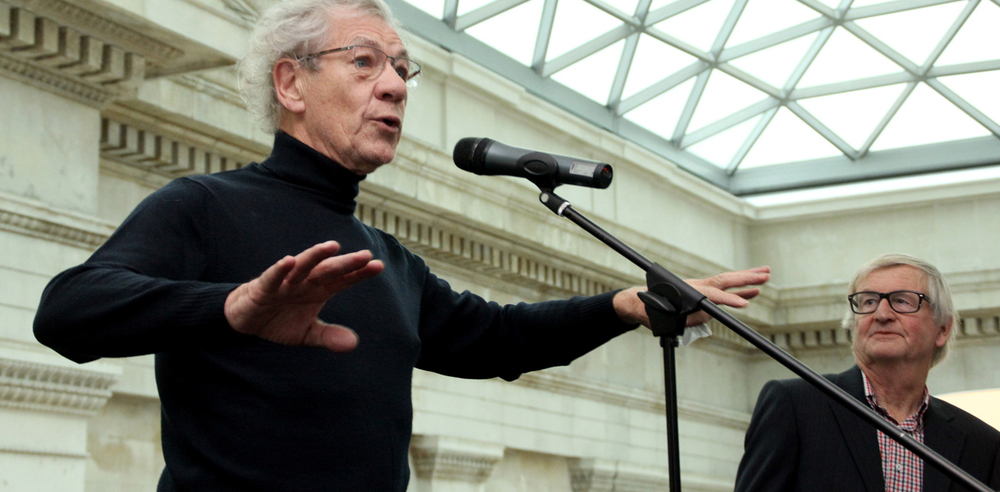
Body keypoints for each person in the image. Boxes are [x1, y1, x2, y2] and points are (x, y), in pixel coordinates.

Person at [32, 0, 770, 490]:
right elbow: (68, 310)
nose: (395, 87)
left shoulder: (386, 257)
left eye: (402, 69)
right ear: (291, 82)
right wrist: (234, 308)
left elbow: (494, 338)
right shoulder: (202, 207)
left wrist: (626, 305)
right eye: (365, 63)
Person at [735, 254, 1000, 492]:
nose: (882, 314)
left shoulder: (982, 444)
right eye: (869, 301)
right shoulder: (796, 405)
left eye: (902, 301)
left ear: (942, 329)